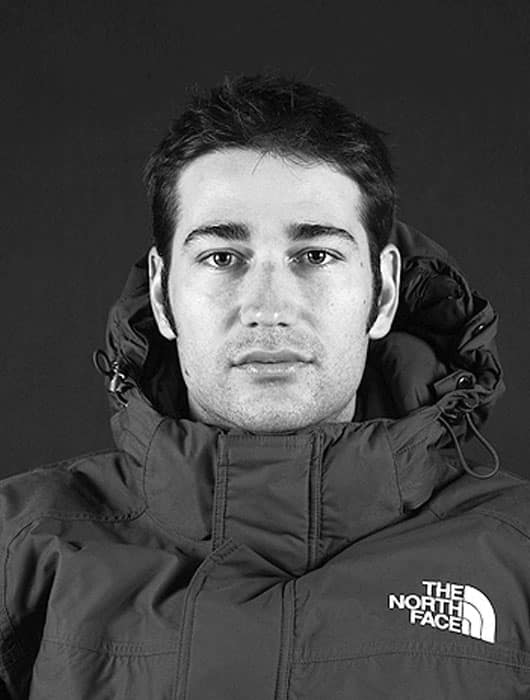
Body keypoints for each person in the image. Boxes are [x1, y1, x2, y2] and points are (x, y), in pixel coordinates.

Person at [1, 73, 529, 700]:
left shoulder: (516, 555)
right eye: (223, 257)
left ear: (383, 293)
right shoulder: (19, 547)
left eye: (316, 256)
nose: (269, 308)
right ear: (162, 295)